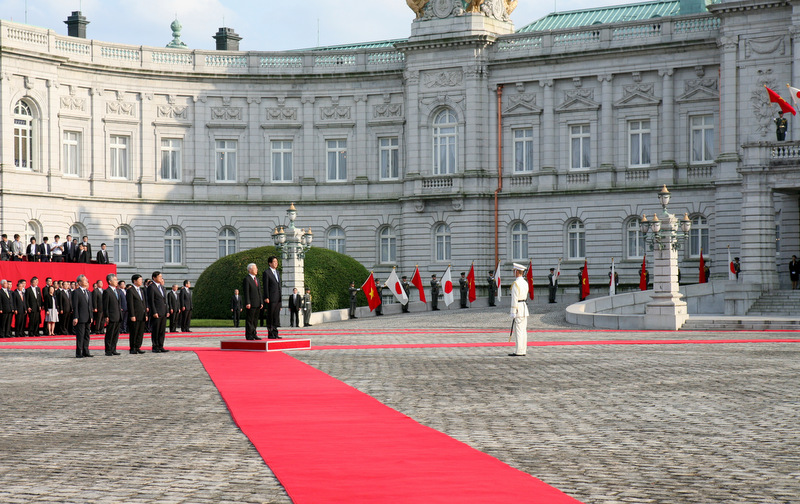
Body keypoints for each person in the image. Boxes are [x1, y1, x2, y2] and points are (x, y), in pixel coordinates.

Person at [508, 263, 530, 357]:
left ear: (517, 272)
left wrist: (513, 311)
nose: (514, 272)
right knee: (523, 330)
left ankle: (519, 351)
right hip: (524, 307)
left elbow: (514, 298)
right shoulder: (525, 282)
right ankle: (523, 349)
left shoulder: (516, 283)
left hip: (518, 308)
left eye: (514, 271)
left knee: (519, 331)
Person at [71, 274, 93, 358]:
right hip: (80, 317)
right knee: (80, 335)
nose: (86, 281)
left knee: (87, 335)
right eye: (84, 280)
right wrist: (75, 317)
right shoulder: (76, 292)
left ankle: (86, 351)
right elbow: (75, 306)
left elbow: (90, 306)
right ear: (79, 282)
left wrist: (91, 316)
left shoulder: (88, 292)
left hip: (87, 317)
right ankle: (79, 352)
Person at [146, 271, 169, 352]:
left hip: (163, 311)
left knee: (162, 330)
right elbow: (151, 301)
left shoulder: (162, 287)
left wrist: (167, 310)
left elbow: (164, 301)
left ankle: (160, 345)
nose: (161, 278)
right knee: (156, 330)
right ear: (154, 278)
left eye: (161, 276)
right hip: (156, 312)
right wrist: (154, 312)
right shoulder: (151, 287)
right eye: (159, 277)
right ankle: (155, 346)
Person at [262, 256, 282, 339]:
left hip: (277, 298)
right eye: (274, 261)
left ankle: (275, 332)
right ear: (270, 263)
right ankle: (270, 333)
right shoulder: (267, 273)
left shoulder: (277, 272)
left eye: (276, 261)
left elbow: (279, 286)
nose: (276, 263)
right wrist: (266, 297)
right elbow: (266, 286)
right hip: (271, 297)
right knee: (270, 315)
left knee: (276, 316)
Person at [126, 274, 147, 354]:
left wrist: (146, 314)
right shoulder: (130, 290)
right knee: (134, 332)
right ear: (135, 281)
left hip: (142, 314)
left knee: (140, 332)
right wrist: (132, 315)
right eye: (140, 280)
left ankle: (138, 346)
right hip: (135, 315)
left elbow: (143, 303)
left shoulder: (141, 290)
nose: (141, 281)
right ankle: (133, 347)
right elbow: (130, 304)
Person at [242, 263, 262, 340]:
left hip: (257, 302)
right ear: (250, 270)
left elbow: (259, 291)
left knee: (255, 320)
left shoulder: (257, 279)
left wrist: (261, 302)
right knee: (250, 320)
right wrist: (247, 302)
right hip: (251, 303)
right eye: (255, 268)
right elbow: (246, 292)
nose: (256, 270)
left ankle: (254, 333)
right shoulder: (247, 279)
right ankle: (249, 334)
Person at [103, 274, 121, 356]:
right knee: (110, 334)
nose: (116, 281)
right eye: (115, 280)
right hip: (111, 316)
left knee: (116, 334)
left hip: (118, 315)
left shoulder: (117, 291)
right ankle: (108, 350)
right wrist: (106, 316)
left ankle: (114, 349)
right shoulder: (107, 291)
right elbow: (105, 305)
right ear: (110, 281)